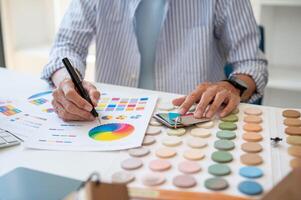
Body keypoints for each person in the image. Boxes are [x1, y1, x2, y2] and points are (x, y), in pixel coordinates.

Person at [42, 0, 268, 121]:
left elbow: (251, 63)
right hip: (113, 122)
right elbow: (66, 46)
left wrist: (233, 86)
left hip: (191, 121)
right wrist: (66, 83)